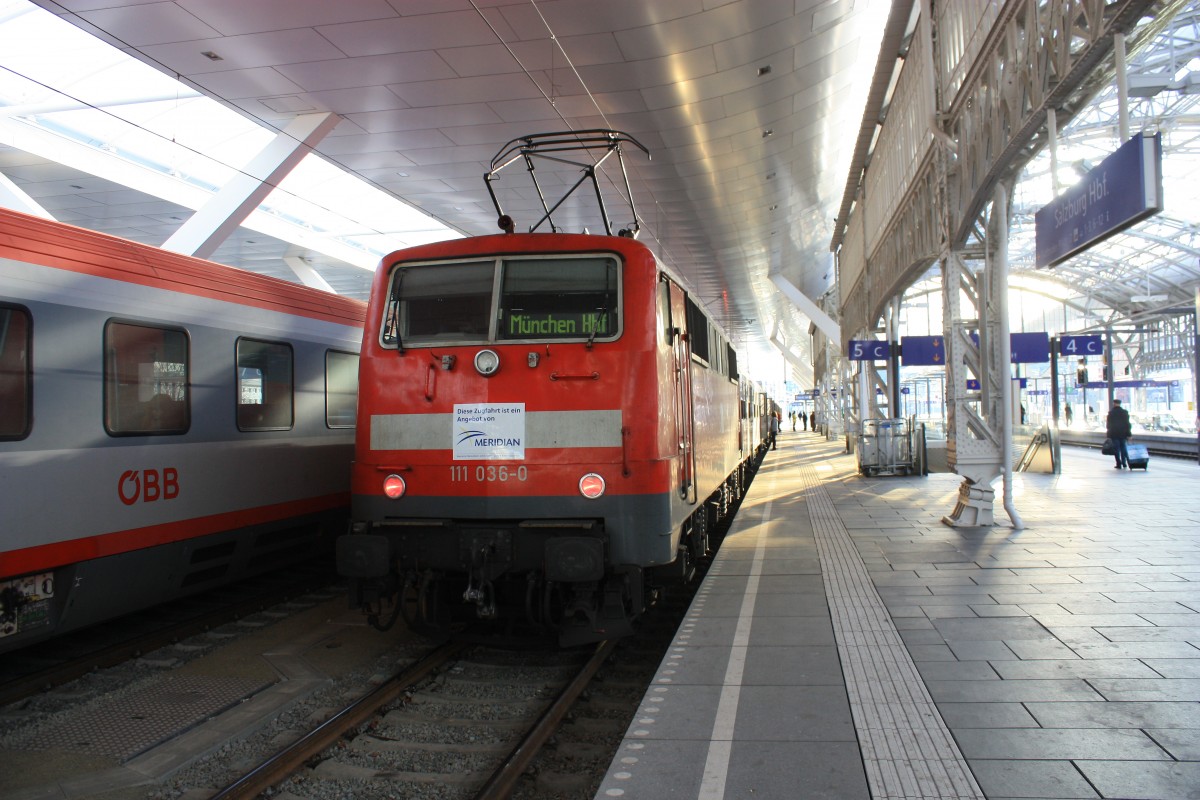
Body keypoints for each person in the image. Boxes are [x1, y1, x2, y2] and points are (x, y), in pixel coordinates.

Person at [1105, 399, 1132, 469]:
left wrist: (1108, 435)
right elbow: (1128, 424)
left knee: (1116, 449)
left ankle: (1118, 463)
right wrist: (1129, 434)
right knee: (1123, 448)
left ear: (1114, 403)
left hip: (1114, 434)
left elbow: (1108, 425)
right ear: (1120, 404)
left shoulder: (1111, 413)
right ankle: (1124, 462)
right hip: (1123, 434)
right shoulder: (1125, 412)